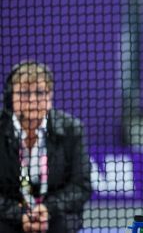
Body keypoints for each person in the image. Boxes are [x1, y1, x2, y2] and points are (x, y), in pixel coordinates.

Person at [0, 61, 92, 233]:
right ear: (11, 97)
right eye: (24, 93)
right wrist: (19, 214)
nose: (33, 100)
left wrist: (48, 209)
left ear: (50, 97)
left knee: (65, 224)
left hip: (54, 217)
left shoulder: (72, 129)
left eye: (40, 92)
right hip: (7, 217)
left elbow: (81, 186)